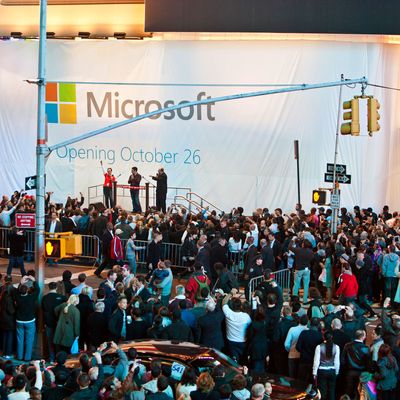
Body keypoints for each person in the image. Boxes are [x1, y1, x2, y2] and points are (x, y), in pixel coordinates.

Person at [41, 282, 67, 362]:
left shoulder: (45, 298)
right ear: (56, 288)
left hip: (48, 323)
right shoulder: (62, 297)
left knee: (50, 341)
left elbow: (43, 310)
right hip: (58, 323)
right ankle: (58, 357)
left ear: (49, 288)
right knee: (58, 341)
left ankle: (51, 358)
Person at [313, 332, 340, 400]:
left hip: (322, 370)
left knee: (322, 391)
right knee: (332, 390)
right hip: (332, 370)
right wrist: (337, 371)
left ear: (323, 337)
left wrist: (314, 372)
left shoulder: (319, 347)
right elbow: (337, 362)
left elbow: (316, 361)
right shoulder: (336, 347)